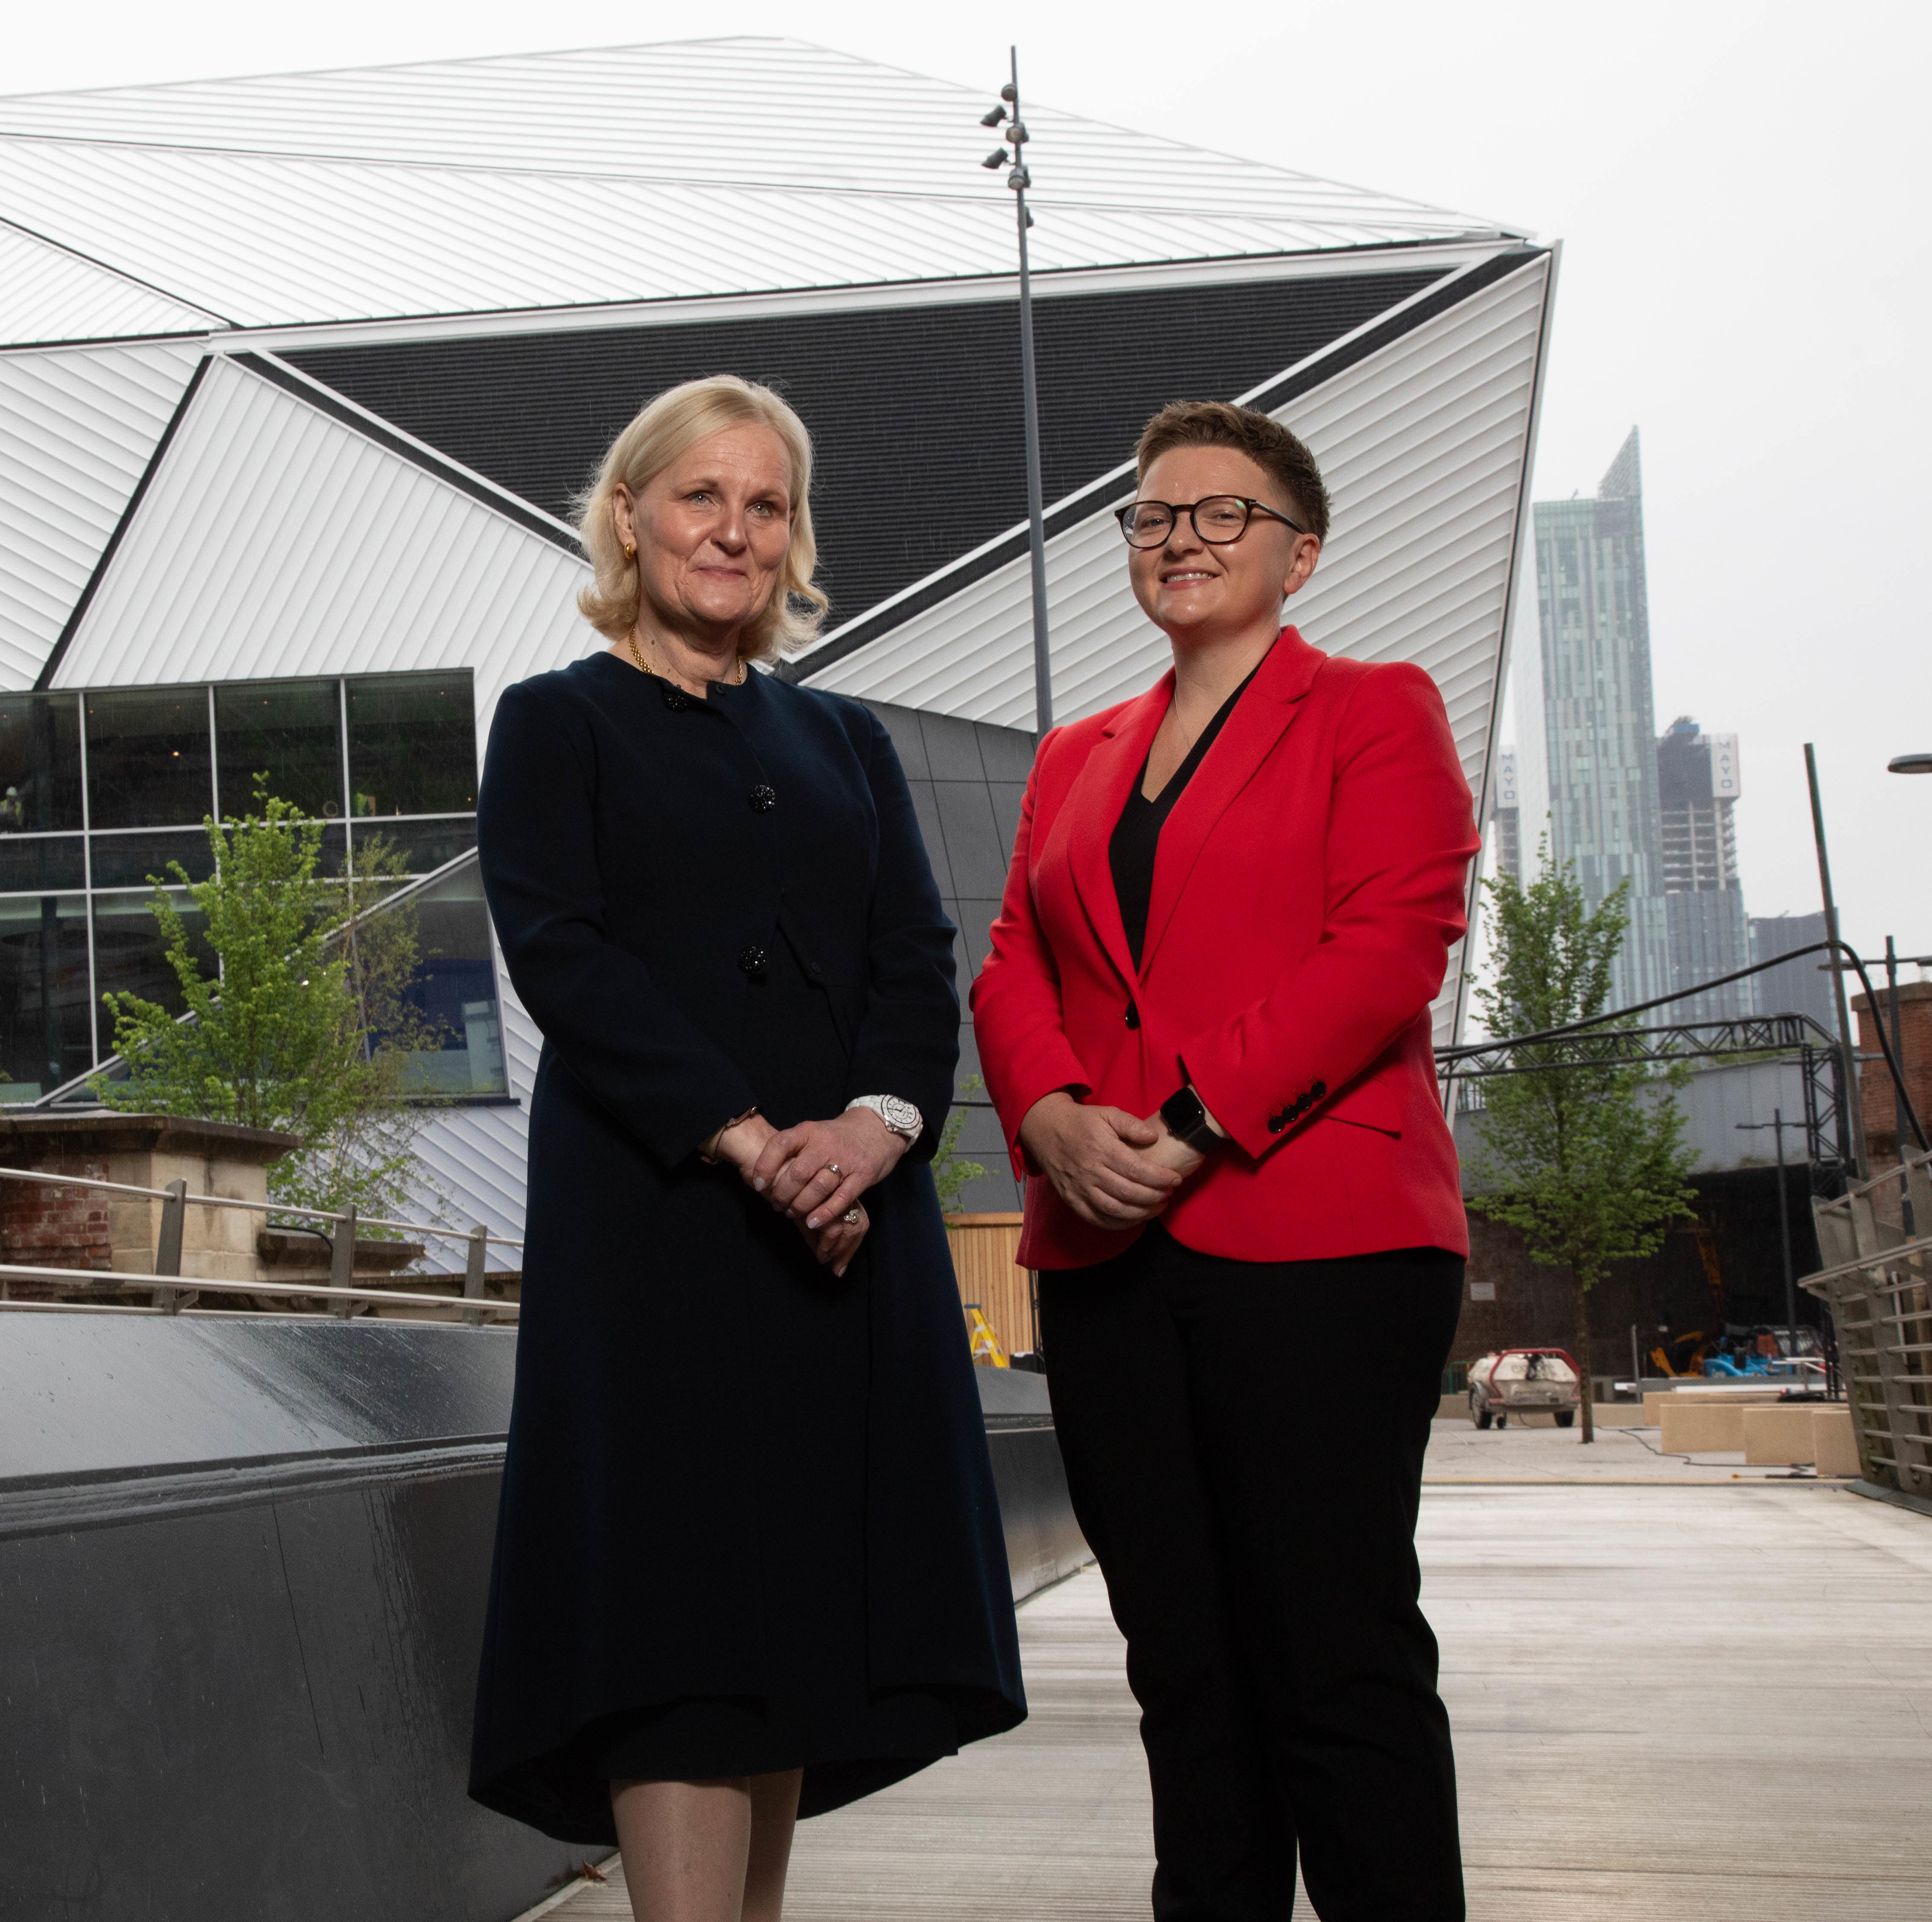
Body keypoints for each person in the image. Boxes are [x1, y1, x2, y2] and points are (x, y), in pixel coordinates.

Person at [471, 375, 1024, 1921]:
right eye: (701, 496)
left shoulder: (844, 736)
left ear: (793, 541)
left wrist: (870, 1130)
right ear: (632, 515)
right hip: (660, 1228)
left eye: (765, 504)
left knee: (785, 1624)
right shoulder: (553, 721)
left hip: (848, 1230)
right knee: (675, 1624)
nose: (733, 529)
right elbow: (564, 955)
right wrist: (750, 1143)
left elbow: (917, 954)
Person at [972, 399, 1481, 1919]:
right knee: (1182, 1674)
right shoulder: (1077, 755)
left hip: (1321, 1233)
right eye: (1151, 514)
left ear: (1300, 553)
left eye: (1221, 513)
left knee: (1335, 1655)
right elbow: (1012, 963)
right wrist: (1054, 1121)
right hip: (1112, 1250)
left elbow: (1391, 946)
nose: (1178, 536)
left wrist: (1191, 1124)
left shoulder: (1376, 708)